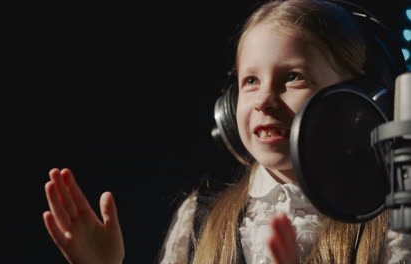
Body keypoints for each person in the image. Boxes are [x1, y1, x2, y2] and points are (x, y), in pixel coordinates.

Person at [42, 0, 411, 263]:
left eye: (293, 77)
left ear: (359, 99)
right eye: (251, 81)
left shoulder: (392, 224)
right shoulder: (200, 218)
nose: (264, 99)